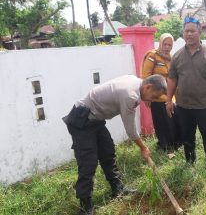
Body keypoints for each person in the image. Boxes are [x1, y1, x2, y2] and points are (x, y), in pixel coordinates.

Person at [63, 75, 166, 215]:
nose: (151, 100)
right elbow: (130, 129)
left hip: (95, 119)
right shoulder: (130, 95)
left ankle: (117, 188)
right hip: (82, 119)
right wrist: (143, 147)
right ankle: (85, 206)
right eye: (153, 96)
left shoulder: (136, 81)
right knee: (88, 162)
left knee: (108, 152)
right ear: (147, 87)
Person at [166, 17, 206, 169]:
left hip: (204, 105)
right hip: (183, 106)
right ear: (183, 33)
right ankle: (190, 163)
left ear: (200, 32)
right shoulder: (177, 56)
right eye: (186, 31)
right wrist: (168, 101)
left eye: (192, 31)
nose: (189, 34)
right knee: (187, 136)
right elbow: (172, 80)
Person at [142, 33, 181, 151]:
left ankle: (175, 144)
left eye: (170, 45)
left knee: (173, 120)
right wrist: (147, 97)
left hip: (169, 95)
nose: (167, 47)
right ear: (160, 43)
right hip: (157, 96)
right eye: (165, 44)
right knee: (161, 122)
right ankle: (164, 145)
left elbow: (173, 77)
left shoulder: (171, 58)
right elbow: (146, 76)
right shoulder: (152, 56)